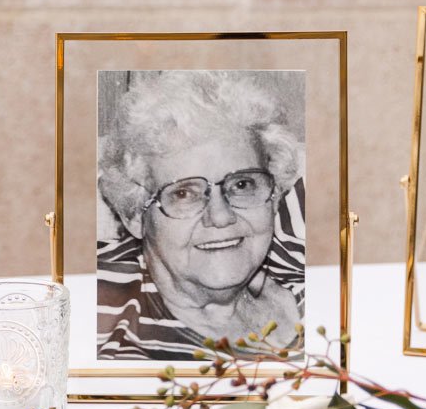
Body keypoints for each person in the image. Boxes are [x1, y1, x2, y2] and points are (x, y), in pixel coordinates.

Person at [95, 72, 305, 361]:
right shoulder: (99, 315)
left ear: (274, 195)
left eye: (242, 185)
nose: (220, 217)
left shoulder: (313, 284)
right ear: (134, 214)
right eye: (184, 194)